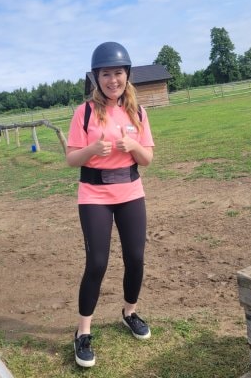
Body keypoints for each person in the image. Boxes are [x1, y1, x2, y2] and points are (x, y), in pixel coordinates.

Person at [66, 42, 155, 368]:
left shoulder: (137, 112)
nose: (112, 79)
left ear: (126, 75)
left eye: (118, 73)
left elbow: (147, 159)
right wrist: (92, 150)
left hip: (131, 191)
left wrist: (132, 144)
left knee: (135, 258)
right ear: (96, 77)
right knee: (97, 262)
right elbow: (71, 158)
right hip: (94, 195)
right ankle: (82, 332)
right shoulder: (85, 112)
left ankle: (129, 313)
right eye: (106, 74)